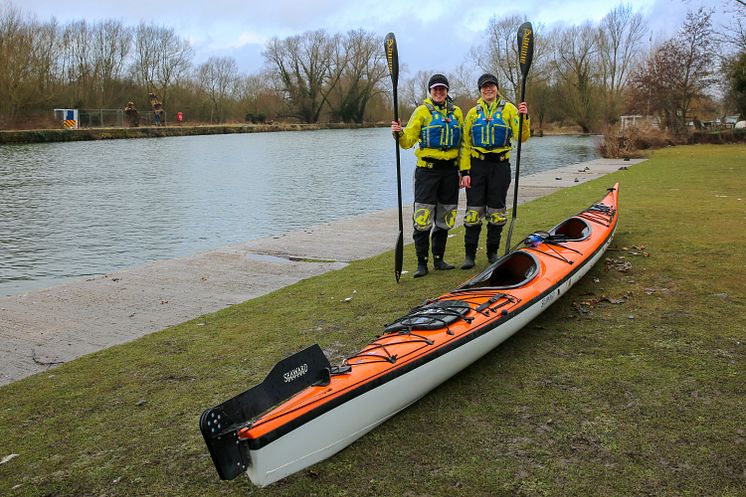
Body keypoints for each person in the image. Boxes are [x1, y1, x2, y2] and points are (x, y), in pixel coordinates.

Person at [391, 74, 464, 278]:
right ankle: (422, 263)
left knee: (445, 217)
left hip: (450, 172)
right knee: (422, 218)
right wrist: (399, 132)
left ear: (447, 92)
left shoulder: (457, 113)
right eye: (435, 90)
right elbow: (407, 142)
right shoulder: (422, 112)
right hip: (427, 171)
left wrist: (463, 171)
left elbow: (463, 145)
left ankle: (439, 260)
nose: (439, 93)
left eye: (442, 89)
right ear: (430, 92)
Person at [459, 73, 530, 269]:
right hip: (477, 166)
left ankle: (492, 252)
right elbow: (465, 144)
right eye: (484, 87)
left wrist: (524, 117)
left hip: (500, 166)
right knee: (473, 211)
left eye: (491, 86)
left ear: (497, 88)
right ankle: (469, 255)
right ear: (480, 90)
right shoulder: (473, 113)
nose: (488, 89)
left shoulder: (510, 110)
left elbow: (522, 137)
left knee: (496, 210)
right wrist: (464, 172)